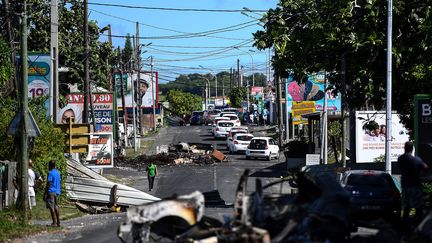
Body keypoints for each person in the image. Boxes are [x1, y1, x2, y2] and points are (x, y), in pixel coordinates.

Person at [398, 141, 428, 229]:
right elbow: (425, 167)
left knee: (406, 207)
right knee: (418, 207)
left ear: (404, 148)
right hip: (414, 185)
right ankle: (418, 224)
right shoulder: (416, 159)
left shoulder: (400, 159)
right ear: (412, 149)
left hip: (405, 185)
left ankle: (404, 224)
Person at [44, 160, 61, 227]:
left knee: (51, 207)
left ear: (50, 165)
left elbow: (49, 183)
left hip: (51, 191)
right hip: (57, 191)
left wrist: (45, 193)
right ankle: (58, 222)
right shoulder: (58, 173)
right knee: (56, 207)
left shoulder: (50, 173)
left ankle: (54, 222)